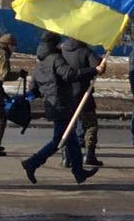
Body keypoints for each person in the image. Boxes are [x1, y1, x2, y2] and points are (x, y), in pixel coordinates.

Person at [21, 32, 105, 185]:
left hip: (52, 104)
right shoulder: (55, 58)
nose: (61, 45)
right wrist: (94, 70)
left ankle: (79, 173)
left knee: (70, 139)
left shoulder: (41, 62)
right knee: (59, 140)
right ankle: (32, 163)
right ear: (54, 44)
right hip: (62, 104)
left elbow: (34, 89)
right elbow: (69, 75)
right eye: (58, 43)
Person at [61, 37, 103, 167]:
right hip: (83, 93)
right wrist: (101, 63)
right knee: (90, 124)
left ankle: (66, 156)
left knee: (69, 125)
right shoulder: (86, 51)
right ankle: (89, 154)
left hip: (66, 94)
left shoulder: (62, 51)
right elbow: (98, 67)